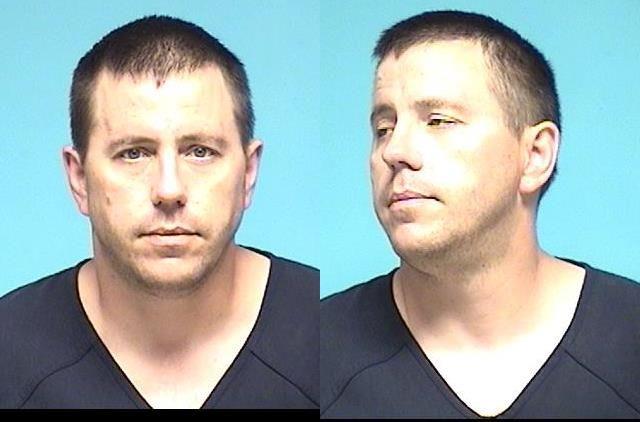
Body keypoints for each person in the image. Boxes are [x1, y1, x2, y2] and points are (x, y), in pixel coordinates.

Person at [321, 10, 639, 418]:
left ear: (535, 155)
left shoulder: (630, 340)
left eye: (439, 121)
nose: (394, 151)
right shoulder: (317, 353)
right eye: (384, 128)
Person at [0, 16, 318, 409]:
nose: (169, 190)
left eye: (200, 151)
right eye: (133, 153)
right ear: (79, 179)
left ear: (248, 173)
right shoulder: (8, 354)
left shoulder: (322, 332)